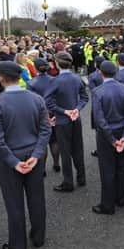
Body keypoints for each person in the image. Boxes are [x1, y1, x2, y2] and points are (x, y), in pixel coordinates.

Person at [0, 62, 51, 249]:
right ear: (20, 77)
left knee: (14, 203)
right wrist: (36, 154)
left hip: (10, 158)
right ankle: (39, 237)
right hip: (33, 156)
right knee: (37, 198)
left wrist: (14, 162)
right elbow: (45, 129)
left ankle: (18, 246)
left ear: (1, 78)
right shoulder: (37, 99)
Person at [91, 61, 124, 215]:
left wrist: (111, 139)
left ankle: (107, 205)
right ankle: (120, 198)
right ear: (115, 72)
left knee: (107, 168)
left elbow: (100, 120)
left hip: (106, 135)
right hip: (121, 131)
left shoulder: (97, 91)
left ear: (101, 73)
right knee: (121, 166)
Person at [45, 52, 89, 192]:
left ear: (57, 64)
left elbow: (47, 101)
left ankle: (68, 182)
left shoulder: (55, 80)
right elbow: (84, 97)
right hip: (76, 118)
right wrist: (76, 109)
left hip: (62, 120)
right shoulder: (77, 78)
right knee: (78, 149)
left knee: (65, 151)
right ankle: (81, 178)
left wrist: (63, 111)